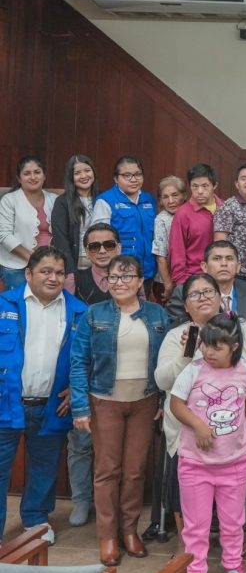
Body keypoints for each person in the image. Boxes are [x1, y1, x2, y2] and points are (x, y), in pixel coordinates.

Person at [156, 273, 246, 553]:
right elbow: (163, 382)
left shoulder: (240, 329)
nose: (203, 298)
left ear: (221, 297)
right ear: (185, 306)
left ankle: (233, 547)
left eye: (209, 291)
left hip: (232, 434)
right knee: (189, 498)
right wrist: (187, 351)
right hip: (187, 435)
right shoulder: (177, 336)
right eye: (194, 294)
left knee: (232, 495)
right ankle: (192, 553)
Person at [70, 254, 170, 566]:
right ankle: (108, 536)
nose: (119, 283)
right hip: (105, 402)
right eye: (114, 277)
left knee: (135, 471)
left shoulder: (158, 315)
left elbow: (170, 363)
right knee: (106, 471)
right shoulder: (93, 314)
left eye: (127, 277)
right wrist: (80, 407)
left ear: (141, 282)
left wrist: (166, 402)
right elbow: (78, 362)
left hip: (145, 401)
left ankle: (129, 531)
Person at [168, 313, 246, 573]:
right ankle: (195, 571)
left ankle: (233, 564)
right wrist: (198, 424)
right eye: (206, 346)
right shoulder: (194, 370)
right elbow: (175, 404)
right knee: (195, 524)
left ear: (234, 346)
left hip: (234, 462)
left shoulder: (245, 369)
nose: (209, 352)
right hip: (195, 464)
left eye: (217, 348)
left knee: (233, 521)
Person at [0, 247, 86, 545]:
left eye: (60, 272)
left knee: (44, 467)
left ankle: (35, 521)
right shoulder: (4, 304)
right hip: (6, 403)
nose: (53, 277)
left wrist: (78, 388)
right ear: (28, 274)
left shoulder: (78, 311)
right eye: (45, 271)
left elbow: (86, 359)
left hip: (52, 406)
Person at [69, 223, 122, 527]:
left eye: (108, 244)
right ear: (86, 251)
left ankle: (110, 507)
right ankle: (80, 500)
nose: (102, 250)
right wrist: (70, 385)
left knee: (113, 450)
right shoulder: (73, 281)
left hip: (116, 379)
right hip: (83, 375)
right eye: (94, 246)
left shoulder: (131, 278)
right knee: (80, 444)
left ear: (118, 247)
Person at [92, 157, 157, 293]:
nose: (134, 179)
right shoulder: (105, 201)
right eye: (127, 175)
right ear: (116, 178)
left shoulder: (149, 199)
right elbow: (100, 239)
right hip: (121, 272)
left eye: (138, 174)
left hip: (148, 270)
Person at [167, 241, 246, 325]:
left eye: (229, 258)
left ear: (238, 267)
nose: (224, 263)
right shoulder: (185, 292)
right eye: (217, 258)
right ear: (204, 266)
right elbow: (176, 329)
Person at [0, 157, 57, 291]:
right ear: (19, 179)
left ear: (44, 176)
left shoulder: (55, 200)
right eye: (27, 173)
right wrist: (32, 258)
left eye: (37, 172)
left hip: (51, 264)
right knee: (19, 305)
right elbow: (4, 235)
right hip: (17, 265)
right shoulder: (10, 200)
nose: (33, 177)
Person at [169, 164, 223, 286]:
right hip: (193, 279)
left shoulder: (225, 208)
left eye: (205, 186)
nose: (199, 191)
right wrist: (182, 282)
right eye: (194, 186)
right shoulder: (183, 213)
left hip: (223, 277)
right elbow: (177, 251)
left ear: (214, 185)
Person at [52, 154, 99, 290]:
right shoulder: (62, 202)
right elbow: (60, 239)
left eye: (87, 170)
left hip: (101, 265)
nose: (83, 176)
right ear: (70, 178)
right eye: (77, 173)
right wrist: (70, 271)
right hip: (76, 265)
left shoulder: (104, 198)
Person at [213, 163, 246, 283]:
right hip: (236, 274)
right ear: (237, 184)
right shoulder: (228, 206)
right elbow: (220, 243)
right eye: (244, 178)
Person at [151, 176, 186, 303]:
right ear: (160, 200)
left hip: (188, 277)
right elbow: (161, 257)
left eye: (175, 195)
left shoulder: (189, 215)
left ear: (183, 195)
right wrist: (168, 284)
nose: (170, 201)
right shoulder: (162, 220)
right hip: (167, 281)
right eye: (165, 197)